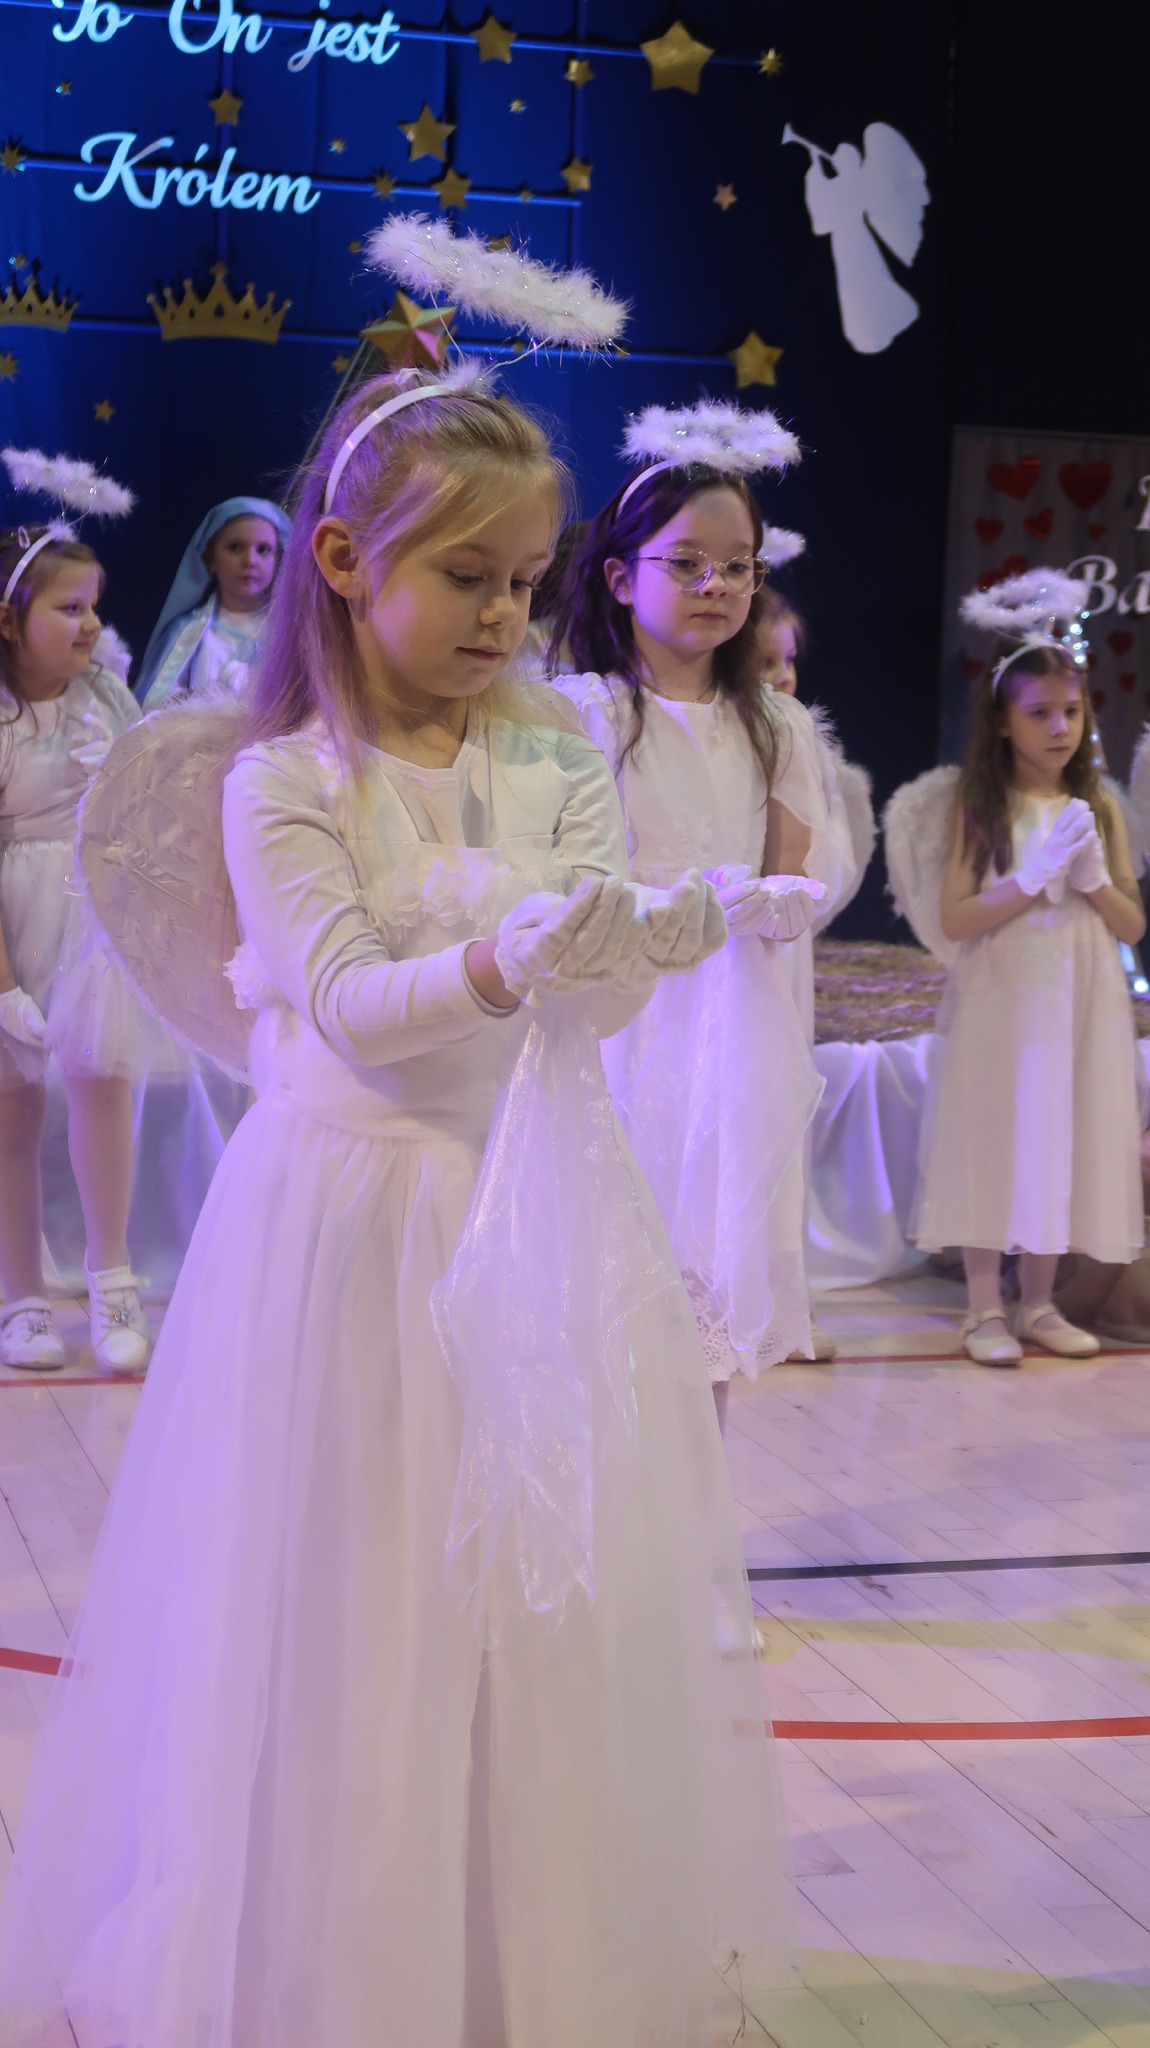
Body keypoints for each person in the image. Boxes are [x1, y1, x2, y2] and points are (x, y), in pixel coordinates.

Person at [0, 369, 795, 2048]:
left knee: (527, 1594)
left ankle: (518, 1953)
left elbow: (592, 986)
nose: (505, 614)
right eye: (468, 576)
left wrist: (655, 938)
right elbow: (353, 1002)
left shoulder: (555, 747)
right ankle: (334, 1965)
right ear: (348, 562)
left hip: (534, 1210)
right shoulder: (282, 778)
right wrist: (510, 958)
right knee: (359, 1582)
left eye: (527, 580)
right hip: (355, 1222)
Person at [551, 435, 832, 1425]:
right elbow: (562, 877)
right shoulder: (581, 713)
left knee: (709, 1252)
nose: (715, 585)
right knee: (608, 1250)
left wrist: (775, 902)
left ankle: (697, 1496)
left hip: (730, 1021)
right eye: (686, 562)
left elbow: (790, 873)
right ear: (620, 577)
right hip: (619, 1012)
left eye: (736, 566)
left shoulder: (776, 726)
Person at [915, 640, 1145, 1364]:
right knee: (994, 1131)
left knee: (1058, 1131)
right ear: (1002, 722)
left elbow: (1132, 926)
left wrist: (1093, 882)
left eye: (1071, 711)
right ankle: (984, 1305)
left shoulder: (1098, 807)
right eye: (1040, 713)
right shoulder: (982, 805)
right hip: (1004, 993)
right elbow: (956, 918)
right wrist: (1030, 878)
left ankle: (1038, 1302)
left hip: (1079, 995)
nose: (1059, 727)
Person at [0, 523, 183, 1373]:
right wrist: (5, 985)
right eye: (69, 609)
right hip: (13, 921)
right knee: (11, 1112)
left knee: (103, 1086)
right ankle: (21, 1297)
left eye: (94, 608)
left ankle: (113, 1281)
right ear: (10, 620)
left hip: (92, 918)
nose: (91, 626)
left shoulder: (107, 695)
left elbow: (148, 805)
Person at [756, 589, 876, 1361]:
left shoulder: (802, 745)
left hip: (781, 952)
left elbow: (829, 866)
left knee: (780, 1117)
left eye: (789, 661)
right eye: (765, 661)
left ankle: (782, 1301)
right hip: (722, 941)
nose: (783, 677)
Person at [136, 495, 291, 708]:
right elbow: (155, 704)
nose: (250, 561)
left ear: (278, 560)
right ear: (210, 558)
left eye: (263, 550)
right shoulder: (188, 631)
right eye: (235, 548)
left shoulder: (288, 635)